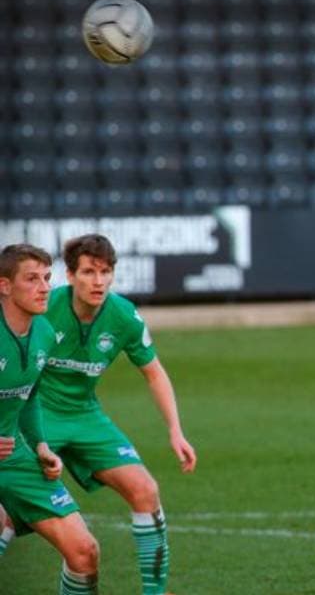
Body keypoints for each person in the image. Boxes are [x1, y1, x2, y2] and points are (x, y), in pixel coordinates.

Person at [36, 234, 195, 595]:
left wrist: (175, 430)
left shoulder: (123, 316)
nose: (99, 281)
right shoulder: (44, 309)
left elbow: (154, 372)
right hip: (39, 417)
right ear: (71, 275)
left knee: (145, 490)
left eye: (106, 272)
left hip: (86, 416)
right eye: (89, 272)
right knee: (10, 517)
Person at [0, 243, 101, 594]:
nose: (45, 287)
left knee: (84, 551)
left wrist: (41, 444)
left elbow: (29, 399)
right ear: (5, 286)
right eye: (32, 279)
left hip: (15, 455)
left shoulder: (44, 332)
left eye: (47, 278)